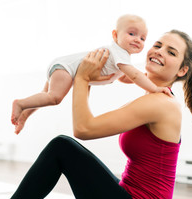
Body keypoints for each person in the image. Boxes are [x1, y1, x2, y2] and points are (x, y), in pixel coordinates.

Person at [0, 29, 192, 199]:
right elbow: (115, 75)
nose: (159, 51)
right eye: (158, 45)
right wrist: (38, 101)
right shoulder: (154, 96)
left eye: (171, 52)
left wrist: (84, 77)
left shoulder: (161, 104)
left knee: (62, 147)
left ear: (182, 69)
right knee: (64, 149)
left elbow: (84, 130)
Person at [11, 14, 173, 135]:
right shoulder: (120, 54)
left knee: (45, 96)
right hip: (66, 68)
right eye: (132, 34)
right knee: (54, 98)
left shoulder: (121, 58)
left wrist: (142, 78)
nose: (138, 39)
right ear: (115, 35)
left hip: (62, 66)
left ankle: (25, 113)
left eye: (143, 38)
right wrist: (155, 88)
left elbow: (124, 77)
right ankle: (20, 103)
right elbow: (135, 76)